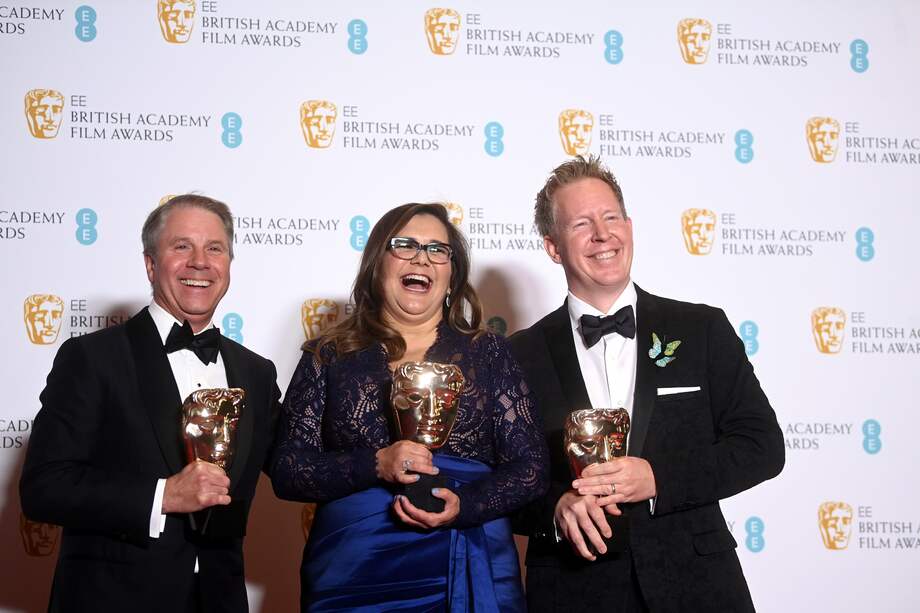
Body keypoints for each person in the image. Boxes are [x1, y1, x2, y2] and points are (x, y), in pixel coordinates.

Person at [509, 155, 784, 612]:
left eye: (611, 216)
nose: (602, 234)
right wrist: (555, 508)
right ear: (553, 247)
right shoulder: (519, 354)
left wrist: (658, 477)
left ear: (629, 226)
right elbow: (501, 480)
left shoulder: (702, 329)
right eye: (581, 224)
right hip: (573, 590)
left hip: (698, 586)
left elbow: (762, 446)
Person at [272, 202, 549, 612]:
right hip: (355, 576)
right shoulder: (328, 354)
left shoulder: (488, 353)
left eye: (438, 250)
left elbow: (532, 469)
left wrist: (467, 505)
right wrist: (375, 464)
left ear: (452, 274)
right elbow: (287, 470)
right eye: (405, 245)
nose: (422, 257)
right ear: (377, 264)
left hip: (468, 557)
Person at [20, 194, 281, 612]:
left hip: (220, 598)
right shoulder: (93, 357)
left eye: (214, 248)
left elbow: (292, 467)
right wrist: (163, 496)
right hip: (112, 599)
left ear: (229, 264)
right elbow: (43, 488)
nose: (200, 261)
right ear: (150, 264)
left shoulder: (257, 372)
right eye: (182, 246)